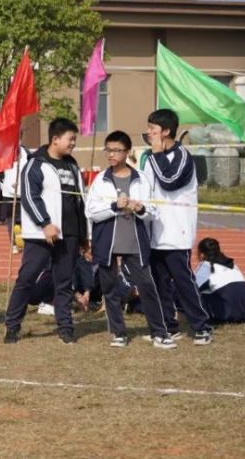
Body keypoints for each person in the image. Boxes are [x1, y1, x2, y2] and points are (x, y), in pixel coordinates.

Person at [86, 131, 176, 349]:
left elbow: (153, 211)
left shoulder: (141, 179)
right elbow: (91, 211)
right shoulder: (100, 180)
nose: (112, 154)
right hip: (107, 242)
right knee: (110, 289)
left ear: (127, 152)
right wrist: (114, 206)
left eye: (117, 150)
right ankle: (118, 333)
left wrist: (141, 208)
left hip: (135, 242)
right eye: (108, 150)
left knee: (146, 286)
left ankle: (159, 332)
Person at [3, 118, 88, 345]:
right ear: (55, 139)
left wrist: (83, 235)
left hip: (68, 235)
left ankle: (66, 327)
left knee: (63, 283)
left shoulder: (72, 165)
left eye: (74, 140)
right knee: (27, 279)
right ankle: (12, 325)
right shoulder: (36, 164)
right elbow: (30, 198)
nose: (73, 144)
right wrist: (45, 223)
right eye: (70, 139)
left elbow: (80, 200)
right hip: (41, 235)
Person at [142, 108, 213, 345]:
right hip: (155, 231)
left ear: (166, 131)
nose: (148, 133)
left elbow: (170, 181)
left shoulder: (182, 156)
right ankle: (168, 327)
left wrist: (158, 154)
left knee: (182, 281)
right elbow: (148, 188)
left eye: (153, 129)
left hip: (176, 231)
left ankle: (202, 326)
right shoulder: (151, 158)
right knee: (158, 282)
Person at [194, 238, 245, 323]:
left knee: (192, 293)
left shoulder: (206, 266)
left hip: (228, 316)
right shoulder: (232, 264)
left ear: (202, 254)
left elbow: (191, 289)